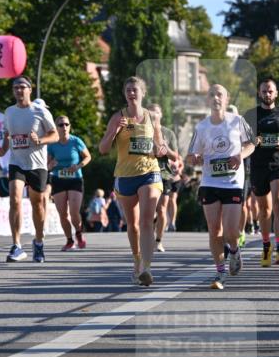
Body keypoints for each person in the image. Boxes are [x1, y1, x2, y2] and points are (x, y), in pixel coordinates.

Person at [99, 76, 179, 286]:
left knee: (146, 220)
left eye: (135, 89)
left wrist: (162, 149)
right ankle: (136, 260)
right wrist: (115, 131)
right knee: (132, 225)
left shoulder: (153, 118)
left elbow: (159, 146)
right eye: (128, 90)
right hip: (125, 176)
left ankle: (146, 267)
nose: (131, 93)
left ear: (143, 93)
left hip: (150, 172)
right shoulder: (118, 117)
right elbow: (103, 149)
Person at [186, 84, 255, 290]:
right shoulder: (201, 127)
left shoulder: (237, 121)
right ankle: (220, 271)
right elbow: (190, 156)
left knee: (231, 231)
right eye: (212, 94)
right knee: (214, 230)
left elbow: (251, 143)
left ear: (226, 99)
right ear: (207, 100)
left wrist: (239, 156)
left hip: (233, 182)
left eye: (220, 94)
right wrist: (195, 158)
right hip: (209, 182)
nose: (216, 98)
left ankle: (234, 250)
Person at [0, 75, 58, 263]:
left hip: (37, 164)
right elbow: (8, 134)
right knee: (15, 200)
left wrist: (41, 140)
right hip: (17, 162)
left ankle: (38, 242)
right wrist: (3, 149)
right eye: (16, 88)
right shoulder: (9, 112)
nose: (19, 91)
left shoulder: (40, 111)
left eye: (22, 87)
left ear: (30, 89)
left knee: (37, 204)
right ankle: (17, 245)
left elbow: (54, 135)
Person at [245, 78, 279, 266]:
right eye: (264, 91)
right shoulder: (251, 114)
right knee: (264, 209)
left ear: (276, 93)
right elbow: (243, 137)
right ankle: (267, 246)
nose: (267, 94)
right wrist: (252, 140)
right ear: (259, 93)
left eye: (270, 91)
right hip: (258, 165)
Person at [47, 115, 91, 250]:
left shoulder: (76, 141)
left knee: (74, 212)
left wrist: (78, 166)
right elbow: (47, 165)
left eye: (66, 124)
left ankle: (78, 233)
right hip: (58, 179)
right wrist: (51, 164)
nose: (64, 127)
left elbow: (88, 156)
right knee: (62, 214)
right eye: (60, 125)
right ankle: (69, 240)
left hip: (75, 179)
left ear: (70, 126)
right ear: (56, 128)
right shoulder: (52, 144)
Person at [148, 104, 181, 253]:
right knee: (147, 210)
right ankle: (146, 237)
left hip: (163, 174)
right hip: (145, 173)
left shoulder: (168, 133)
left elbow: (175, 156)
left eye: (156, 113)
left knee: (161, 209)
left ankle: (158, 241)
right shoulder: (143, 132)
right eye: (150, 113)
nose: (154, 115)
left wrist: (165, 149)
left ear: (161, 115)